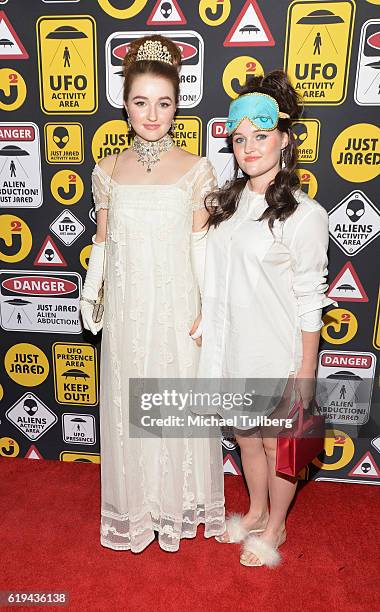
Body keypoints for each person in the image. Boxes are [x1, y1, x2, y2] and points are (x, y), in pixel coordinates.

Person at [79, 35, 225, 553]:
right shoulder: (106, 171)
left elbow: (201, 246)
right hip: (126, 309)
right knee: (129, 409)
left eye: (163, 103)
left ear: (176, 105)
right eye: (141, 101)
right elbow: (101, 242)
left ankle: (175, 506)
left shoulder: (196, 169)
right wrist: (91, 296)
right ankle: (137, 506)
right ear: (125, 102)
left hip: (176, 310)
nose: (152, 114)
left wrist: (209, 309)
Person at [197, 70, 337, 567]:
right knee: (246, 437)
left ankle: (276, 527)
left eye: (260, 136)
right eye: (240, 138)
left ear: (283, 138)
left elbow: (309, 300)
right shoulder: (227, 205)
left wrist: (305, 372)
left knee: (278, 446)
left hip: (274, 353)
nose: (249, 147)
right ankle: (256, 510)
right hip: (232, 348)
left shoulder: (305, 214)